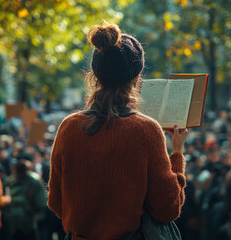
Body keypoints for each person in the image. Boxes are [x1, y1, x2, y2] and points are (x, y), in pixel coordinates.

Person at [47, 21, 188, 240]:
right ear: (136, 79)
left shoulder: (68, 128)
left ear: (95, 77)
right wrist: (177, 154)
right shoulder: (146, 131)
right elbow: (168, 209)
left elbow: (56, 201)